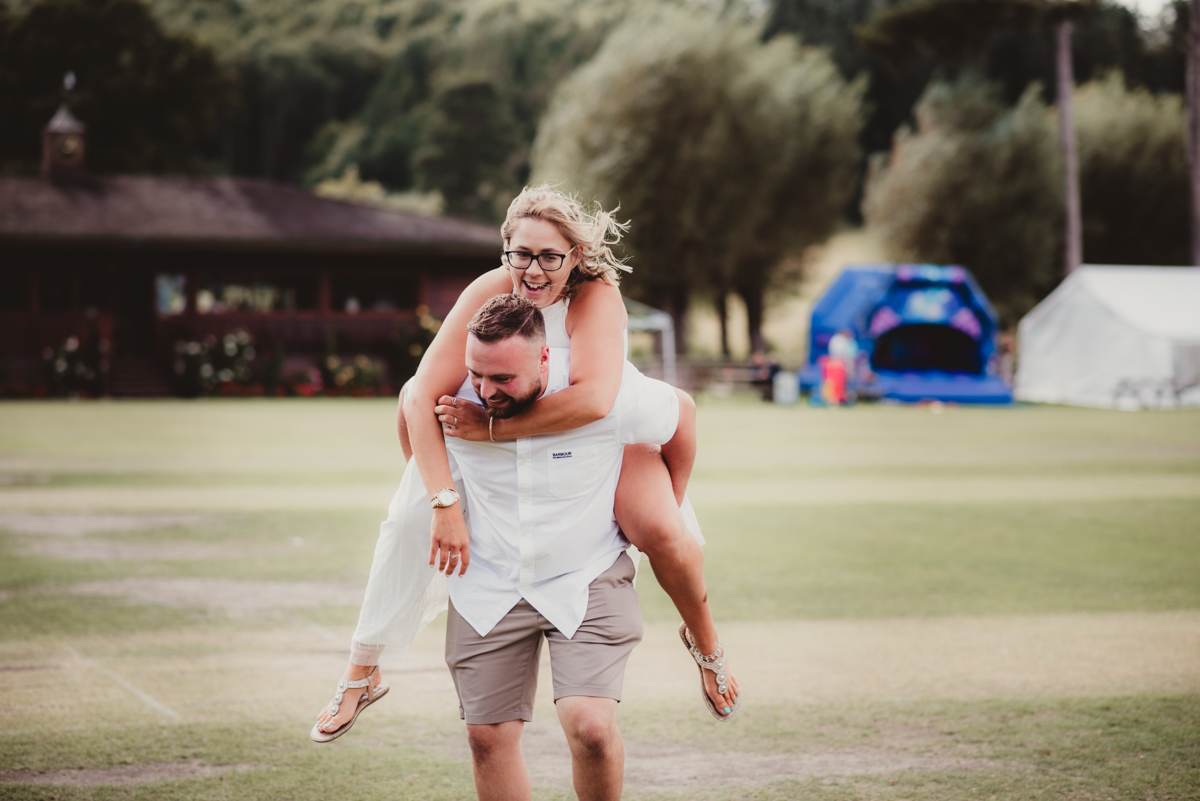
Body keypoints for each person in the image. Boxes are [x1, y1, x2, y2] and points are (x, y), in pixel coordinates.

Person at [312, 186, 738, 741]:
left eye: (549, 257)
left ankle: (705, 643)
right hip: (503, 424)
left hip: (598, 430)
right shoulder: (490, 289)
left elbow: (598, 402)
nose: (533, 271)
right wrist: (443, 496)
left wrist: (491, 430)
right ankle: (362, 670)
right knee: (410, 517)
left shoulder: (596, 296)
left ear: (575, 256)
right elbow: (418, 396)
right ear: (506, 249)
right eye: (521, 255)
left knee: (664, 528)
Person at [443, 294, 721, 800]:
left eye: (502, 379)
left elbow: (681, 411)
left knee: (592, 730)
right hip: (490, 582)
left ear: (545, 358)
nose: (485, 391)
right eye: (477, 375)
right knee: (486, 738)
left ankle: (708, 644)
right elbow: (409, 410)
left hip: (586, 575)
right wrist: (442, 504)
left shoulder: (603, 394)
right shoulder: (455, 399)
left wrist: (673, 497)